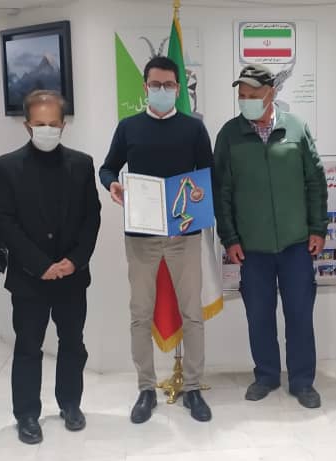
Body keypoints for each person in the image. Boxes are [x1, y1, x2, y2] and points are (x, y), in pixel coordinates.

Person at [99, 56, 214, 424]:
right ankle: (146, 388)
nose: (161, 90)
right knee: (140, 315)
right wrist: (112, 184)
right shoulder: (129, 127)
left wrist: (199, 195)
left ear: (178, 89)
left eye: (168, 85)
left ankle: (193, 388)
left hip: (184, 234)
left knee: (192, 314)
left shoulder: (193, 128)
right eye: (155, 85)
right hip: (141, 237)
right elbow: (107, 167)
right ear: (145, 87)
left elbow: (209, 174)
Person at [214, 64, 328, 409]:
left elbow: (315, 181)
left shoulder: (296, 128)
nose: (246, 101)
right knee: (259, 316)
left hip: (296, 244)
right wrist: (230, 237)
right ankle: (265, 375)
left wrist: (318, 228)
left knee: (299, 315)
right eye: (242, 96)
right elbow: (222, 192)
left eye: (253, 95)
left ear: (272, 93)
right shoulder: (230, 135)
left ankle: (302, 381)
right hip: (252, 248)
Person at [0, 90, 101, 444]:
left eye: (54, 124)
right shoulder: (7, 167)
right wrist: (40, 265)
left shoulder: (82, 164)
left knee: (73, 343)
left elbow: (92, 217)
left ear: (64, 125)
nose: (47, 130)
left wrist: (75, 260)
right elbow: (5, 222)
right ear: (27, 126)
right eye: (40, 124)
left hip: (72, 275)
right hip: (29, 278)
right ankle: (26, 414)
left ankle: (70, 403)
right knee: (28, 347)